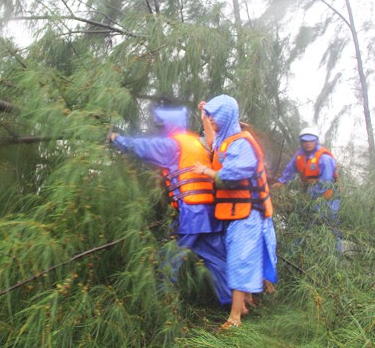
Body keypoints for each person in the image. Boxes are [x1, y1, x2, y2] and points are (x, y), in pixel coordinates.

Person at [109, 106, 231, 306]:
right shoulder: (196, 143)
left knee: (168, 257)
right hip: (210, 213)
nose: (161, 130)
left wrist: (117, 139)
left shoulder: (172, 145)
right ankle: (234, 304)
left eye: (162, 126)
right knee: (219, 261)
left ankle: (161, 304)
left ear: (169, 126)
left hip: (192, 214)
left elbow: (142, 147)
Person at [194, 94, 278, 330]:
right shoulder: (226, 141)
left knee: (239, 261)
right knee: (237, 258)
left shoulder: (242, 145)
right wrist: (204, 116)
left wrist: (205, 171)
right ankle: (244, 304)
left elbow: (230, 177)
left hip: (248, 214)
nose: (212, 123)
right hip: (236, 213)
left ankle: (234, 319)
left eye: (214, 118)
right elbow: (214, 144)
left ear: (226, 117)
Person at [272, 127, 341, 251]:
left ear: (316, 141)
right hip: (309, 192)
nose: (308, 143)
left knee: (330, 225)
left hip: (327, 197)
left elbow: (326, 182)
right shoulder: (300, 156)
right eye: (305, 141)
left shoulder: (324, 158)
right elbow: (290, 169)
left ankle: (336, 253)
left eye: (311, 141)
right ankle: (297, 250)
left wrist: (310, 196)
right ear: (301, 142)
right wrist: (282, 182)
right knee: (303, 222)